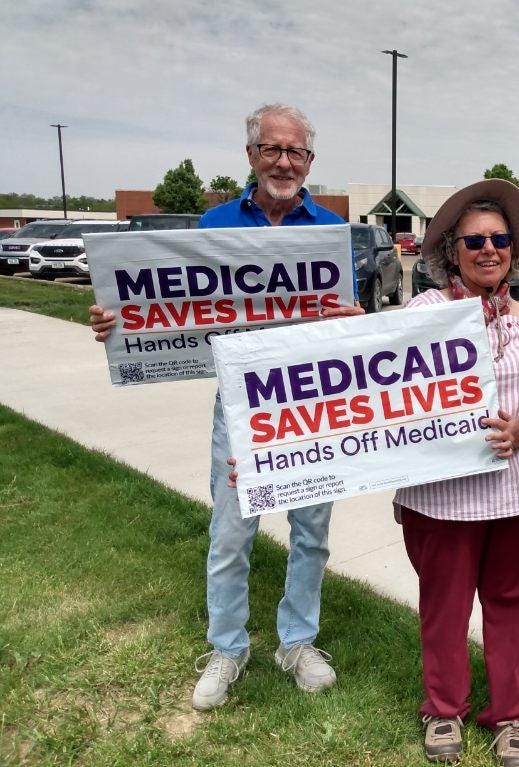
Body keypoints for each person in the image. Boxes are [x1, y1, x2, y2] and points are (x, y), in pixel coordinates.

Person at [89, 104, 364, 711]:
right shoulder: (215, 224)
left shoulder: (329, 230)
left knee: (311, 530)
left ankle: (297, 642)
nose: (284, 162)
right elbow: (164, 299)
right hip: (242, 403)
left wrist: (355, 320)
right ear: (251, 155)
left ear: (309, 160)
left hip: (313, 403)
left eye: (296, 152)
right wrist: (118, 322)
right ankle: (227, 648)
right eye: (273, 149)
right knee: (232, 530)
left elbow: (345, 321)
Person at [393, 179, 519, 766]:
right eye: (474, 241)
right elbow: (374, 389)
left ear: (514, 250)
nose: (488, 250)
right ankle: (444, 709)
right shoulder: (423, 314)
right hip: (441, 501)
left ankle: (511, 717)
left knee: (513, 607)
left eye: (499, 239)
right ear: (453, 251)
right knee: (444, 609)